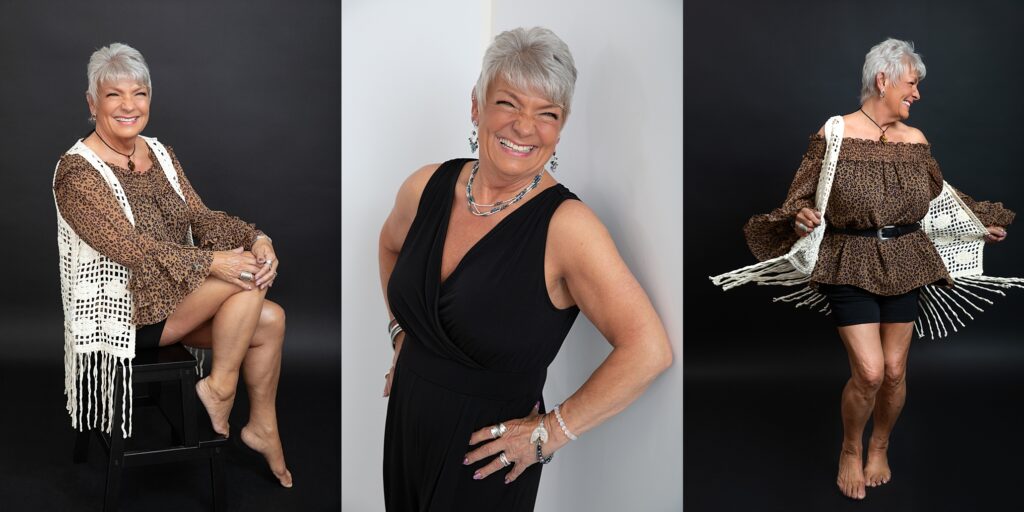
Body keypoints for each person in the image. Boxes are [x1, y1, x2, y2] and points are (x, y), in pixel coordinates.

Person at [377, 27, 673, 510]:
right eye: (508, 104)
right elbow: (389, 247)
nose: (524, 127)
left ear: (561, 126)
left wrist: (549, 431)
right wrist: (400, 333)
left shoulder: (568, 228)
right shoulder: (426, 186)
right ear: (476, 106)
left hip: (486, 455)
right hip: (408, 421)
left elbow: (649, 350)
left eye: (547, 114)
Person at [742, 38, 1014, 500]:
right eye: (912, 84)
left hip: (907, 258)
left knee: (893, 371)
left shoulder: (917, 141)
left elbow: (941, 197)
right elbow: (800, 199)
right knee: (868, 372)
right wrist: (801, 216)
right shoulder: (834, 133)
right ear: (883, 80)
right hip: (849, 259)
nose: (917, 95)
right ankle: (851, 447)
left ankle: (880, 445)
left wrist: (980, 224)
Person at [53, 43, 292, 488]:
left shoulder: (159, 153)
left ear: (149, 99)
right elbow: (129, 248)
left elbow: (199, 217)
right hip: (126, 315)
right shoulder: (77, 173)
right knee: (244, 275)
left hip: (178, 300)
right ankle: (220, 388)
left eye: (139, 93)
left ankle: (262, 426)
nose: (129, 106)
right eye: (113, 95)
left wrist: (256, 238)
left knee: (271, 318)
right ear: (92, 103)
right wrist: (215, 263)